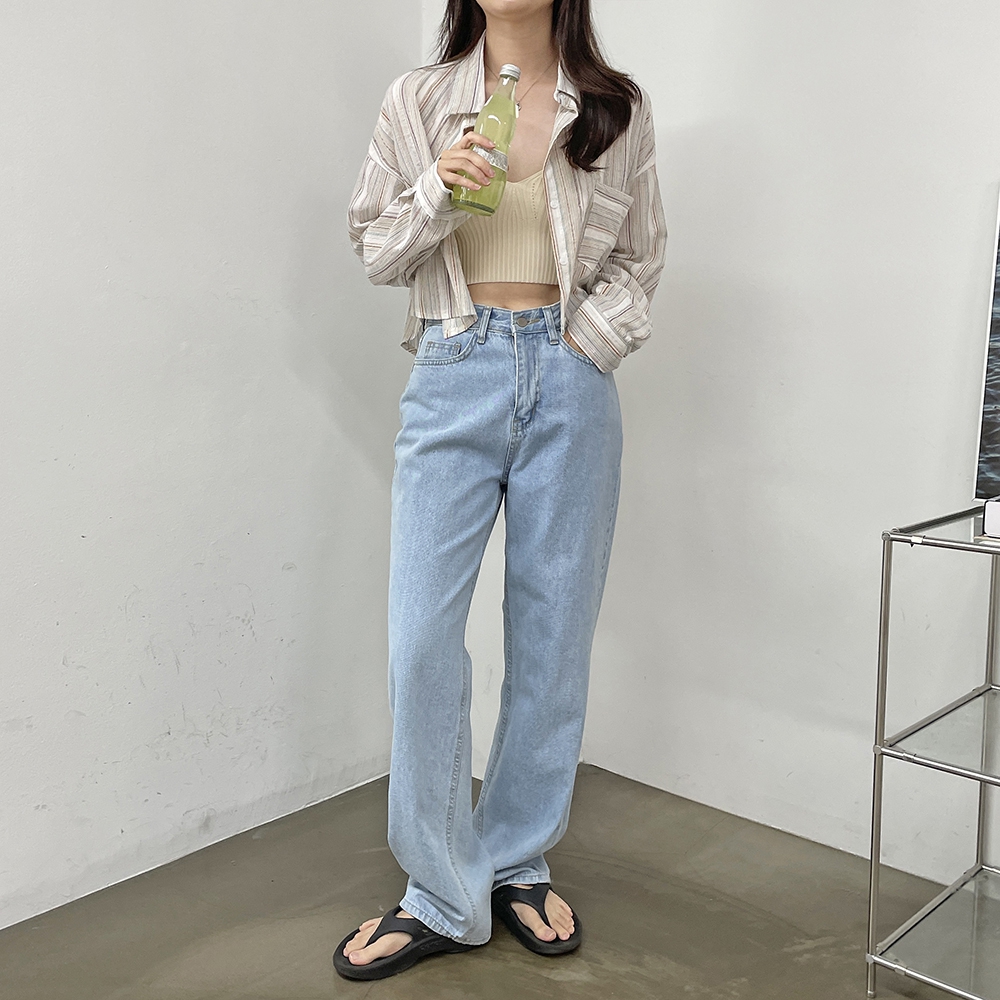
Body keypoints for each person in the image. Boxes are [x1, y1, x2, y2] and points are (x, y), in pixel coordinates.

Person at [335, 0, 666, 980]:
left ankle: (517, 857)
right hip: (454, 368)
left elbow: (641, 258)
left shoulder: (613, 107)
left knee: (553, 636)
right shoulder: (417, 100)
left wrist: (583, 345)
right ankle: (442, 890)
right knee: (420, 641)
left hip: (571, 378)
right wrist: (435, 191)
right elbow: (374, 248)